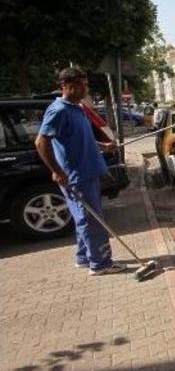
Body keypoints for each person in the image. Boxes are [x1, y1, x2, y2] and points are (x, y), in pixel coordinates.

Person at [34, 67, 126, 275]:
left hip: (88, 171)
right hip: (76, 175)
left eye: (86, 84)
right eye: (80, 85)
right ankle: (101, 264)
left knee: (83, 217)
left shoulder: (77, 108)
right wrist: (56, 171)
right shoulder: (58, 110)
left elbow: (77, 137)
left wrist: (102, 146)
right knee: (91, 220)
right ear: (65, 86)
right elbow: (41, 142)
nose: (85, 89)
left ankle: (84, 257)